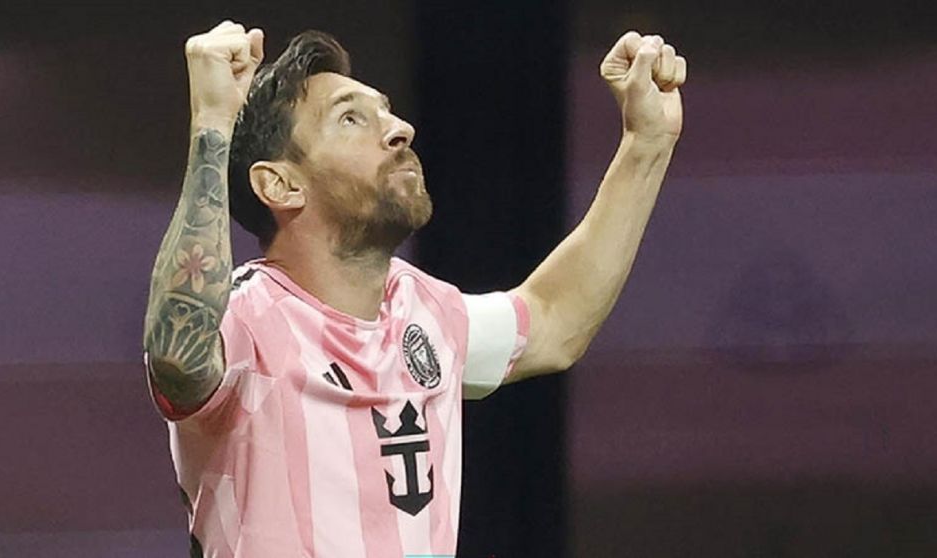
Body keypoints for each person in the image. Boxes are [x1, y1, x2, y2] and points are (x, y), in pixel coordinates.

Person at [142, 19, 686, 558]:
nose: (400, 128)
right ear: (280, 184)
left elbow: (552, 321)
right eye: (352, 118)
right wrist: (213, 122)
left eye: (386, 110)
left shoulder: (421, 310)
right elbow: (179, 355)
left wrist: (647, 144)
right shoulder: (245, 323)